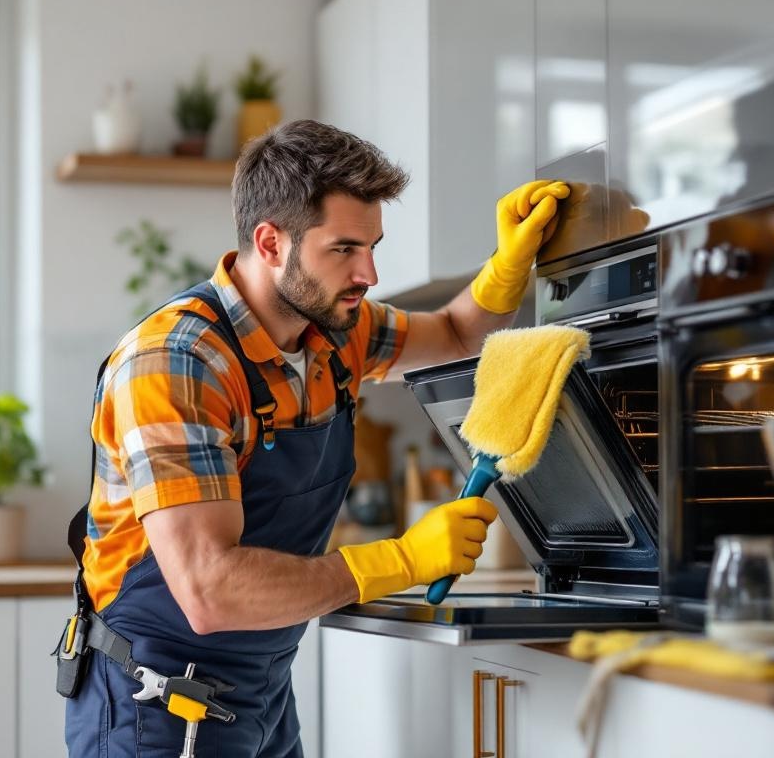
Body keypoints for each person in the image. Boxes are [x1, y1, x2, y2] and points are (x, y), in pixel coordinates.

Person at [59, 119, 569, 757]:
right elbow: (210, 590)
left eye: (374, 246)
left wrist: (506, 267)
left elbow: (458, 335)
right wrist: (403, 560)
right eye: (345, 249)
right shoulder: (177, 362)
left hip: (261, 692)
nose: (370, 273)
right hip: (155, 706)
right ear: (271, 242)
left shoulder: (333, 330)